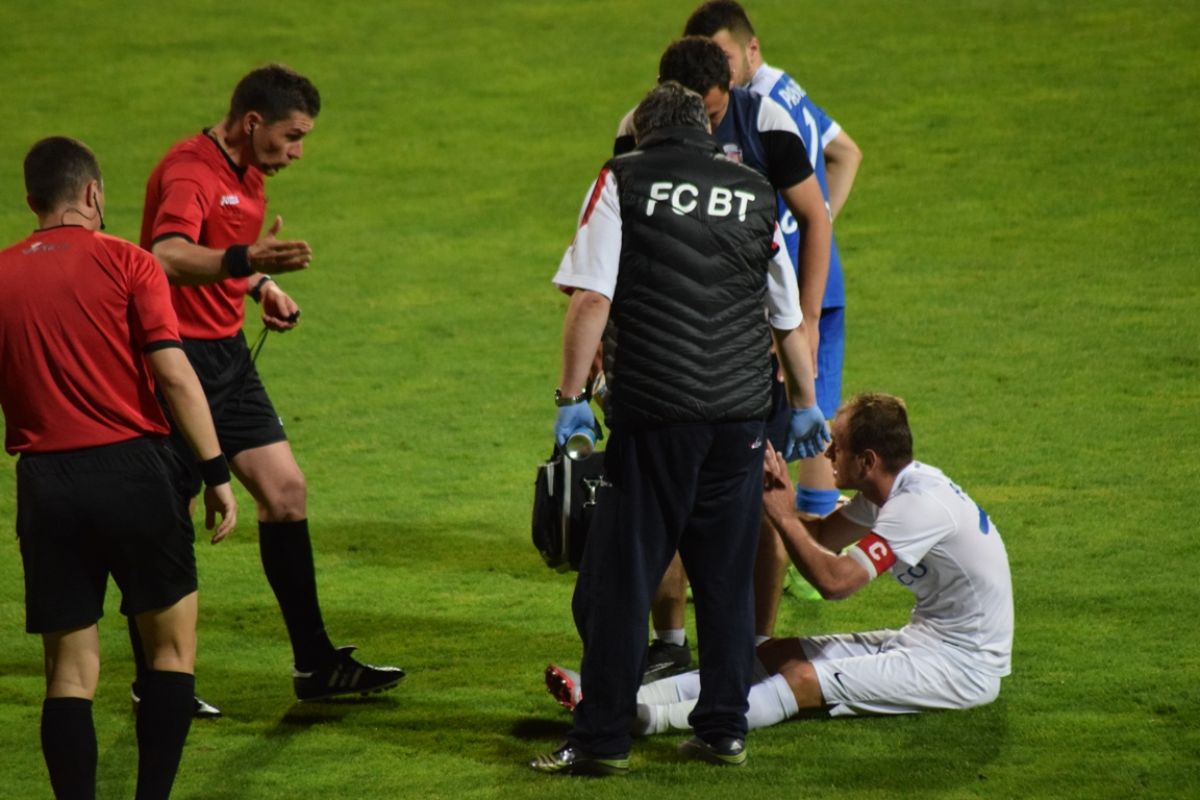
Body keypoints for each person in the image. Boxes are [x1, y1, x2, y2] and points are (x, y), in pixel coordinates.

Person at [529, 81, 828, 777]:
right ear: (703, 129)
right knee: (724, 580)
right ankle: (723, 728)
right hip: (739, 420)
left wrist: (570, 396)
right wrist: (805, 402)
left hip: (655, 417)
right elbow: (786, 315)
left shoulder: (623, 179)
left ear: (644, 132)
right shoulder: (754, 190)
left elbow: (592, 297)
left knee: (620, 580)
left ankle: (601, 739)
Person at [138, 64, 403, 709]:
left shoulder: (249, 171)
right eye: (292, 136)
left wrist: (260, 285)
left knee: (286, 492)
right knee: (169, 516)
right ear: (253, 123)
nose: (297, 152)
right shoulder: (190, 171)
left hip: (228, 357)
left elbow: (225, 254)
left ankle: (316, 665)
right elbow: (166, 255)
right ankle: (158, 684)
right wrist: (247, 261)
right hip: (175, 361)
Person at [545, 393, 1013, 732]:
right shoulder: (891, 490)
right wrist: (764, 497)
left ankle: (645, 720)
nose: (827, 452)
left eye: (838, 444)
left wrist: (784, 514)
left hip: (964, 667)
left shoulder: (918, 507)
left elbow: (835, 582)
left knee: (801, 679)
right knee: (772, 654)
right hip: (924, 640)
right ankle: (610, 697)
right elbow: (821, 536)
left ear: (867, 460)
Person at [0, 136, 237, 800]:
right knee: (169, 654)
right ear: (94, 193)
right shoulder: (130, 262)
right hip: (134, 473)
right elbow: (175, 374)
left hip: (45, 483)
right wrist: (216, 472)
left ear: (32, 200)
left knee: (69, 674)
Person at [614, 35, 834, 682]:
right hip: (667, 360)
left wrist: (807, 323)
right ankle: (671, 643)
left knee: (762, 497)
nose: (704, 131)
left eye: (712, 116)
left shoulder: (765, 122)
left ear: (729, 94)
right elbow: (622, 246)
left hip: (750, 352)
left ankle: (756, 645)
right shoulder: (634, 132)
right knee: (667, 511)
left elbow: (813, 218)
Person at [685, 0, 864, 637]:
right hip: (809, 277)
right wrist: (819, 220)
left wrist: (806, 226)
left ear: (750, 50)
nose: (716, 70)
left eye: (723, 57)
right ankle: (802, 551)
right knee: (806, 414)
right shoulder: (787, 88)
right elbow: (846, 152)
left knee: (792, 423)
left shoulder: (761, 107)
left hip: (785, 290)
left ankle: (796, 556)